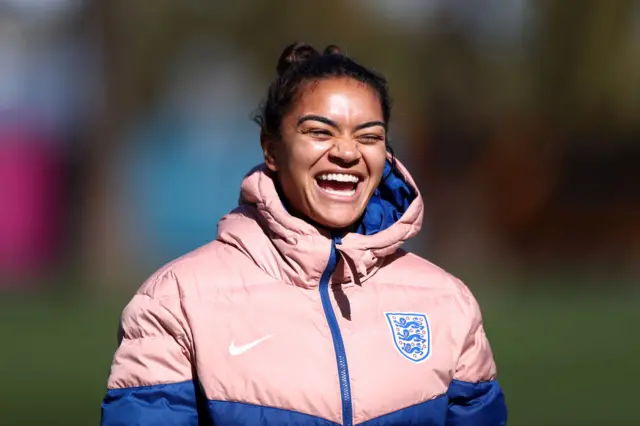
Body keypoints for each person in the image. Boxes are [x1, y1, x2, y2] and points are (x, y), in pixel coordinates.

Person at [100, 42, 507, 426]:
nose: (347, 152)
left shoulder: (447, 304)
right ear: (271, 150)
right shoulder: (176, 302)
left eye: (369, 136)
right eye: (320, 132)